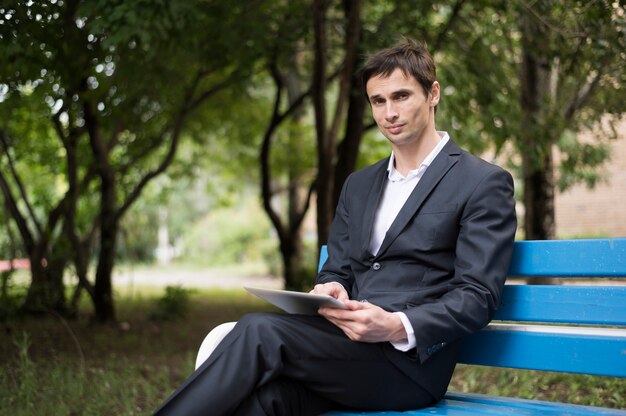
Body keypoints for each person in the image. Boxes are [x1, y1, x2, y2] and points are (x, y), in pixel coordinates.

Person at [154, 38, 517, 416]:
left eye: (401, 96)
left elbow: (477, 296)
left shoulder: (482, 182)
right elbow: (338, 268)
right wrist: (332, 286)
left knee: (260, 331)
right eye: (378, 101)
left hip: (408, 367)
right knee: (266, 403)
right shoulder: (359, 185)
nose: (389, 112)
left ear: (433, 94)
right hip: (341, 349)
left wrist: (394, 325)